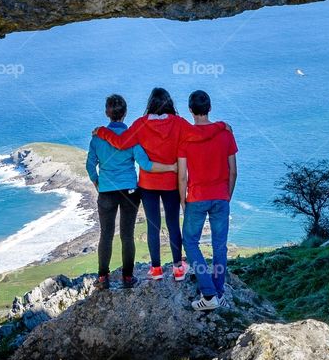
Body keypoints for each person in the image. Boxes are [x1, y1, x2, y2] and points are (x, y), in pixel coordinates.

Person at [93, 87, 226, 282]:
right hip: (171, 183)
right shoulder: (179, 123)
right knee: (173, 223)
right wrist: (222, 126)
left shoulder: (140, 124)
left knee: (153, 225)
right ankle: (178, 268)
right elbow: (201, 134)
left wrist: (102, 131)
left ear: (150, 104)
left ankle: (156, 269)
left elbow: (121, 143)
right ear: (169, 103)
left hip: (148, 184)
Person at [86, 94, 177, 290]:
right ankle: (128, 278)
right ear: (125, 113)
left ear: (106, 113)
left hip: (107, 192)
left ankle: (103, 278)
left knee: (106, 235)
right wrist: (171, 167)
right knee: (127, 235)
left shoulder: (96, 139)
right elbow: (145, 164)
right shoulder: (132, 138)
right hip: (130, 190)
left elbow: (90, 166)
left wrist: (97, 184)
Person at [179, 90, 238, 311]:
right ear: (210, 108)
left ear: (190, 110)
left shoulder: (186, 137)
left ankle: (208, 292)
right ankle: (219, 291)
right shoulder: (226, 134)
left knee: (190, 242)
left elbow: (183, 174)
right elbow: (233, 171)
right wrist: (227, 195)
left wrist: (183, 200)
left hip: (196, 196)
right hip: (221, 195)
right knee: (219, 245)